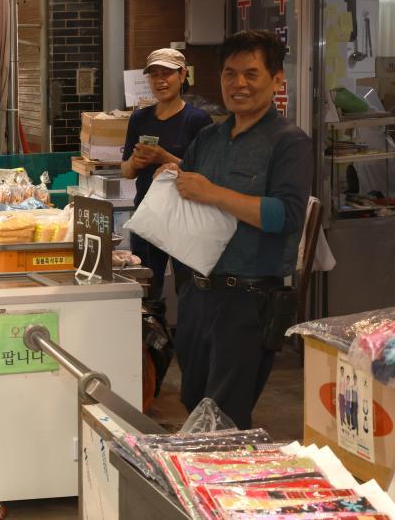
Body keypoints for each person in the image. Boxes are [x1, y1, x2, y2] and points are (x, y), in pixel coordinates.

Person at [159, 30, 311, 430]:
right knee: (193, 403)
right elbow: (189, 196)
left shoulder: (289, 142)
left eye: (251, 74)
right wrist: (172, 179)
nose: (238, 84)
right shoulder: (209, 138)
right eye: (230, 74)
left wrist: (212, 193)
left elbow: (286, 216)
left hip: (247, 300)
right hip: (195, 295)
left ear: (277, 79)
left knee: (224, 417)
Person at [121, 48, 211, 306]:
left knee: (190, 290)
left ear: (183, 75)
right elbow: (126, 171)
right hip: (149, 216)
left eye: (167, 74)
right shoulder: (140, 118)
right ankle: (151, 343)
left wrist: (164, 157)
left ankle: (186, 344)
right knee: (146, 289)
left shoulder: (197, 120)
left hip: (186, 218)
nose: (160, 81)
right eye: (154, 75)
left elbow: (205, 172)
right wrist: (136, 162)